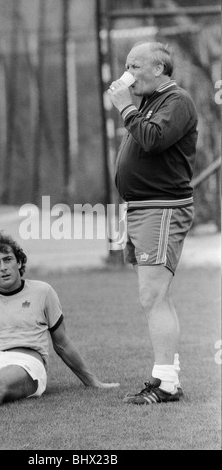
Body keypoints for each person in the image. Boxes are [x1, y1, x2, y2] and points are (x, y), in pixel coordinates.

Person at [0, 232, 119, 412]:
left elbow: (62, 344)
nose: (3, 267)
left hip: (27, 362)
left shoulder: (43, 292)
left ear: (19, 262)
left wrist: (93, 382)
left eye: (8, 259)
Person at [108, 41, 198, 404]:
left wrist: (125, 107)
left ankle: (166, 384)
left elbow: (153, 139)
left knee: (153, 294)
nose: (127, 72)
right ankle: (167, 376)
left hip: (163, 208)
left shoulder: (176, 100)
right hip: (144, 208)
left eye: (135, 65)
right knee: (154, 296)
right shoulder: (150, 101)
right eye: (127, 65)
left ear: (158, 69)